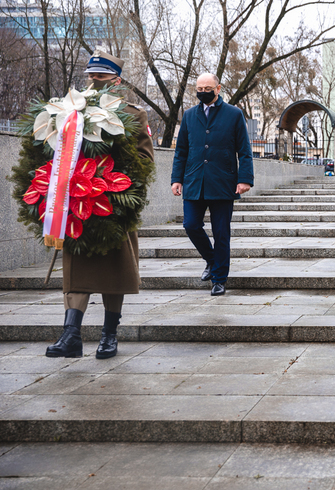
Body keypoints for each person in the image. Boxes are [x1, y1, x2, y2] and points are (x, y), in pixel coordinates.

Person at [46, 51, 154, 360]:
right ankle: (71, 335)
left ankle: (109, 335)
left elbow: (145, 160)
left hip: (112, 203)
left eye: (101, 77)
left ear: (116, 81)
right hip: (77, 202)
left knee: (113, 271)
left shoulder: (133, 115)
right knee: (76, 269)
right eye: (91, 76)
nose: (94, 82)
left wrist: (112, 178)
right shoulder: (70, 112)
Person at [171, 73, 254, 296]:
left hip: (222, 183)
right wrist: (176, 179)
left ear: (218, 88)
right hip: (194, 182)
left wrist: (245, 179)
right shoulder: (189, 116)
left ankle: (219, 279)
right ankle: (211, 258)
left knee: (221, 233)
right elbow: (181, 151)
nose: (203, 92)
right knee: (190, 225)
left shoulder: (234, 114)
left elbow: (244, 151)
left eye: (208, 88)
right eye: (199, 88)